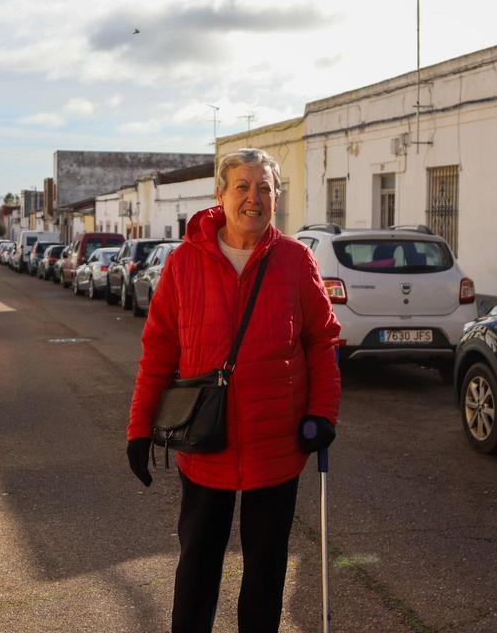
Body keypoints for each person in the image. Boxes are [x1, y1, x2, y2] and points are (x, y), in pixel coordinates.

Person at [126, 147, 342, 633]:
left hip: (278, 447)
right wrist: (140, 428)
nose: (253, 198)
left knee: (266, 575)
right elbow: (158, 350)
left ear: (277, 198)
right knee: (198, 568)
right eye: (242, 186)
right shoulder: (184, 264)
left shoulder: (295, 260)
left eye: (264, 188)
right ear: (219, 195)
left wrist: (322, 413)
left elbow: (321, 341)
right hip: (205, 443)